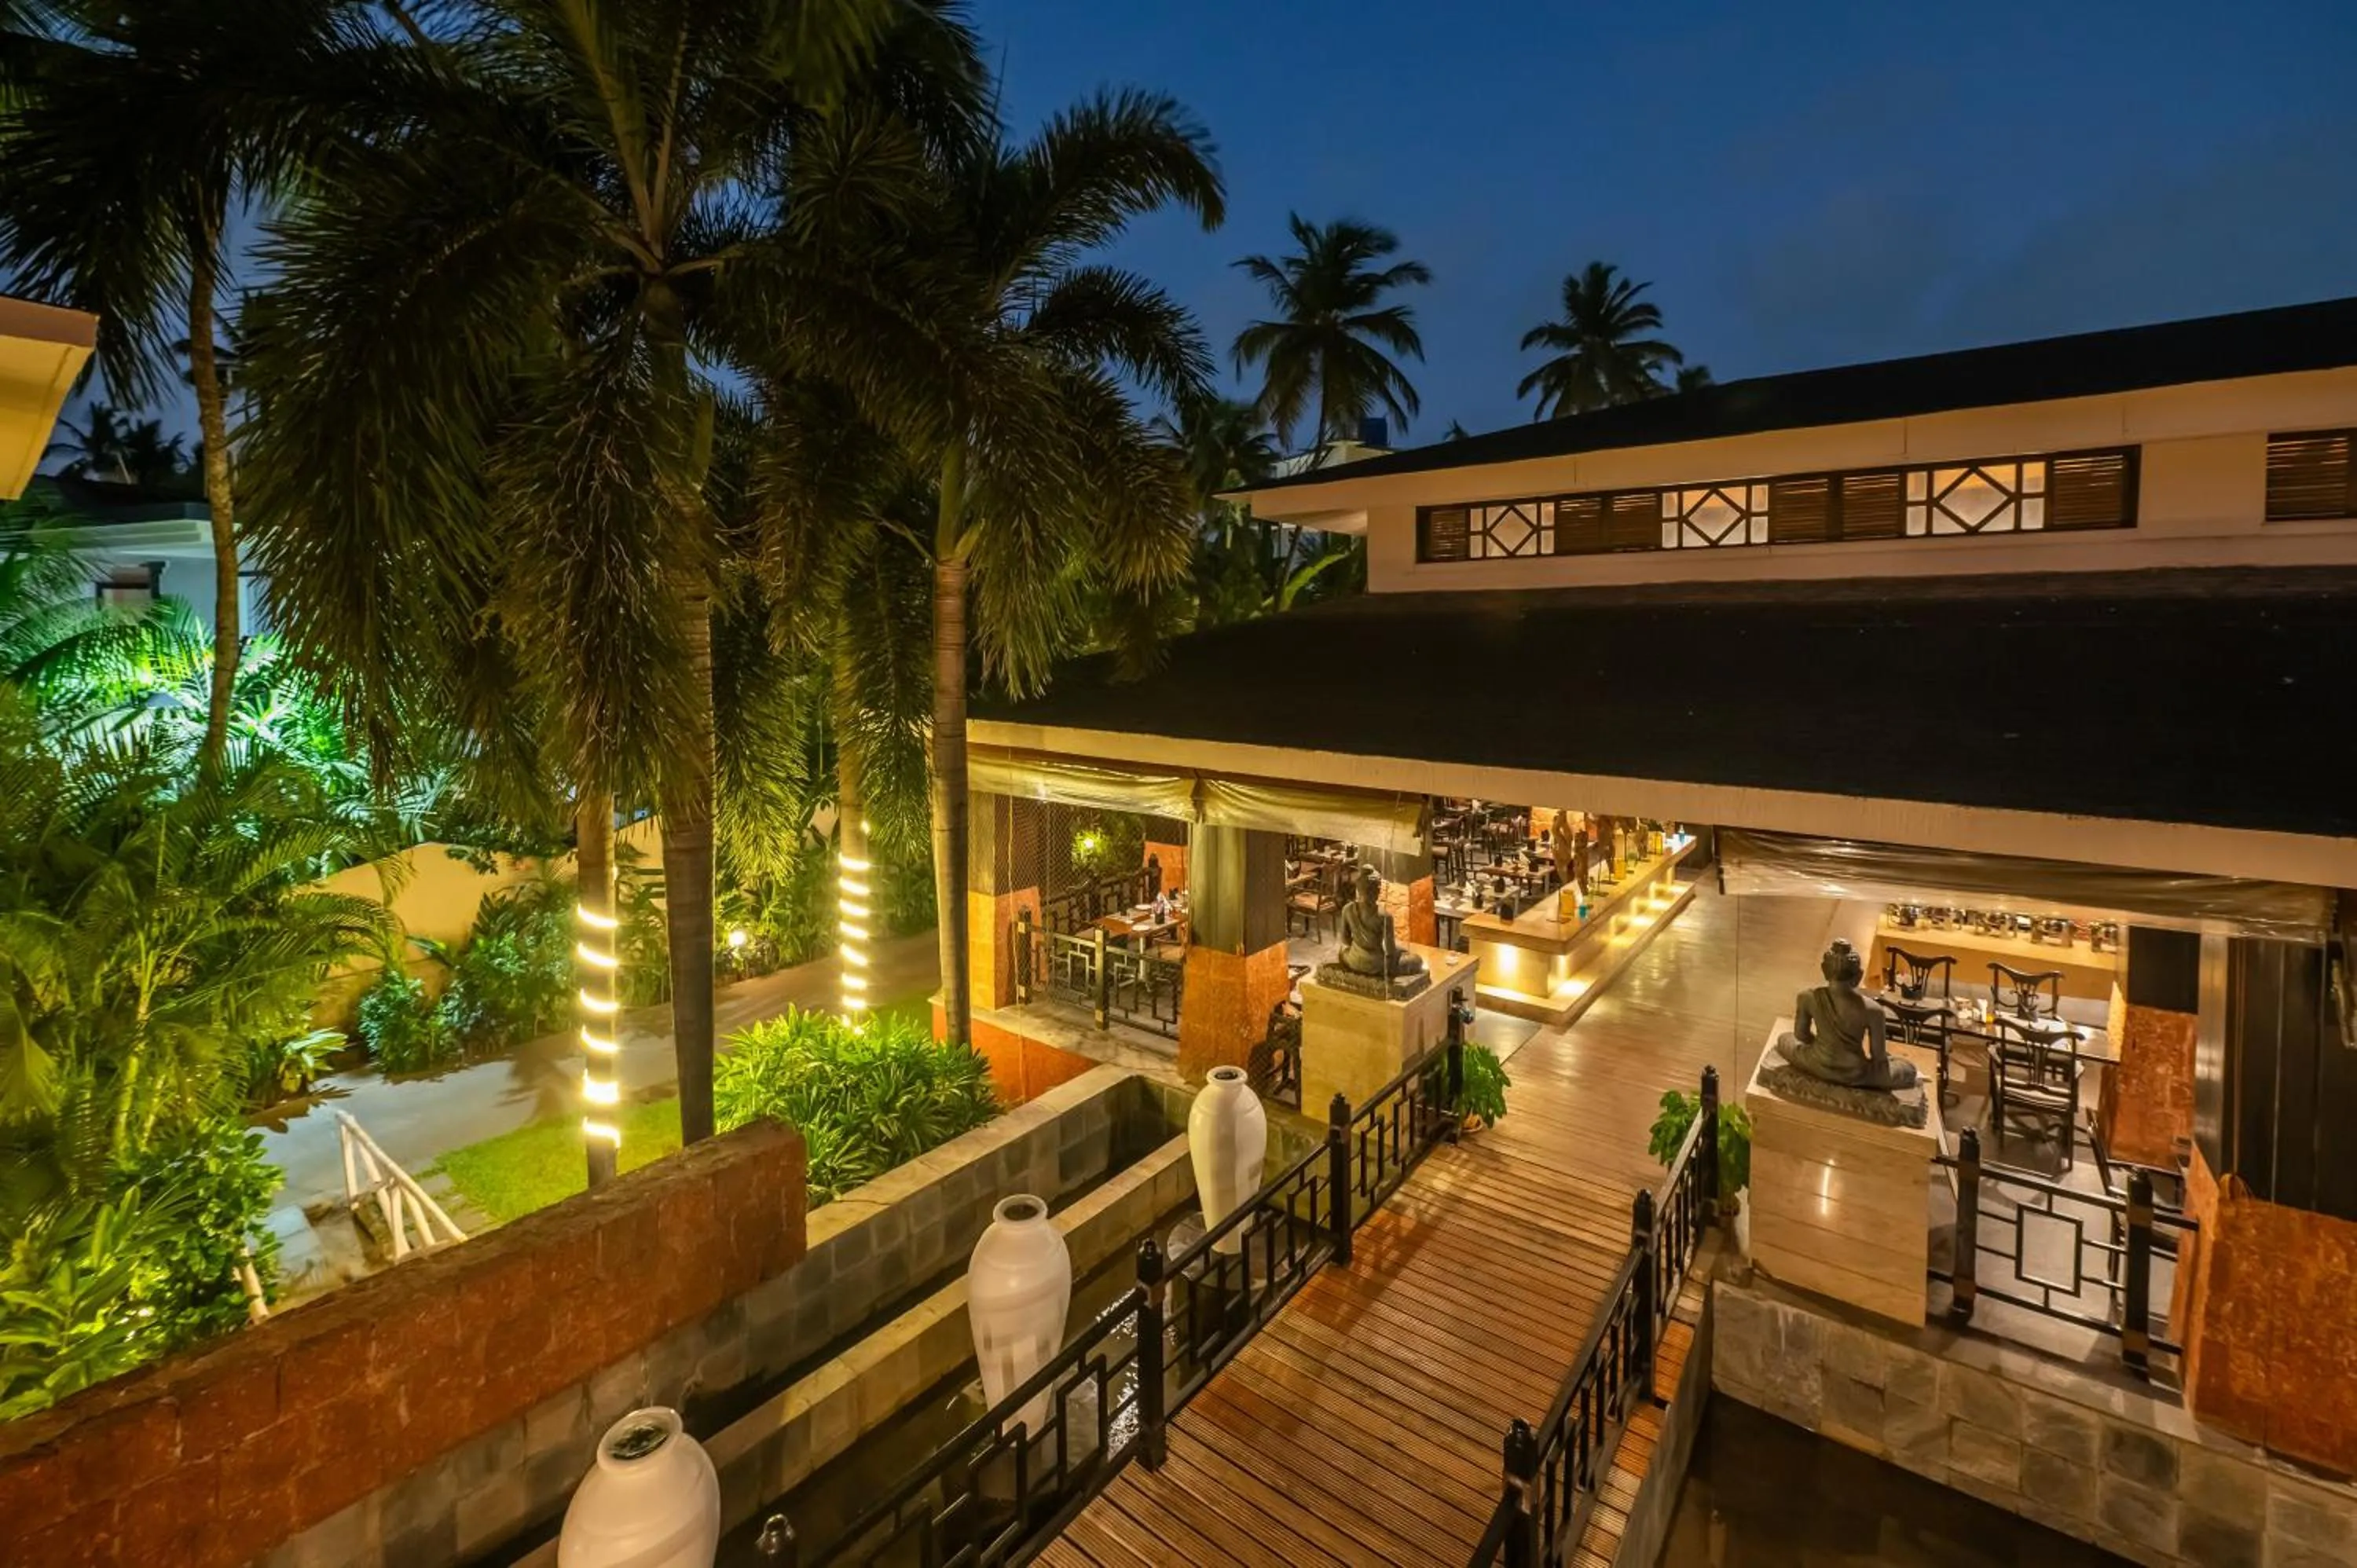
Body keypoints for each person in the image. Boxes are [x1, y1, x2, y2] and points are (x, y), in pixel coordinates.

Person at [1780, 939, 1920, 1092]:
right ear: (1859, 976)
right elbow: (1878, 1056)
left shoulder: (1807, 997)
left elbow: (1801, 1036)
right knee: (1909, 1069)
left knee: (1784, 1039)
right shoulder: (1873, 1009)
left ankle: (1823, 1061)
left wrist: (1822, 1048)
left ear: (1824, 970)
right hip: (1856, 1073)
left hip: (1817, 1062)